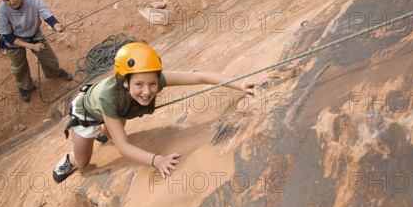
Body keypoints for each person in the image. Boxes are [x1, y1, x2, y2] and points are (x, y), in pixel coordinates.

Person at [52, 42, 265, 183]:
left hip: (117, 107)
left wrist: (241, 84)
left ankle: (104, 132)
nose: (147, 92)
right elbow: (124, 148)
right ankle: (70, 158)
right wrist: (157, 160)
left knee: (113, 128)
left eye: (152, 84)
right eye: (139, 85)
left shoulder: (150, 81)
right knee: (84, 162)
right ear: (124, 82)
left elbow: (199, 77)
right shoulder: (108, 97)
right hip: (87, 113)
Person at [0, 0, 74, 102]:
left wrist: (56, 25)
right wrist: (30, 46)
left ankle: (55, 72)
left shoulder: (32, 0)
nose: (12, 2)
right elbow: (8, 36)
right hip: (14, 40)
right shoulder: (2, 12)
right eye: (7, 0)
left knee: (49, 57)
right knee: (19, 66)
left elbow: (45, 13)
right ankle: (25, 87)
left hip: (34, 34)